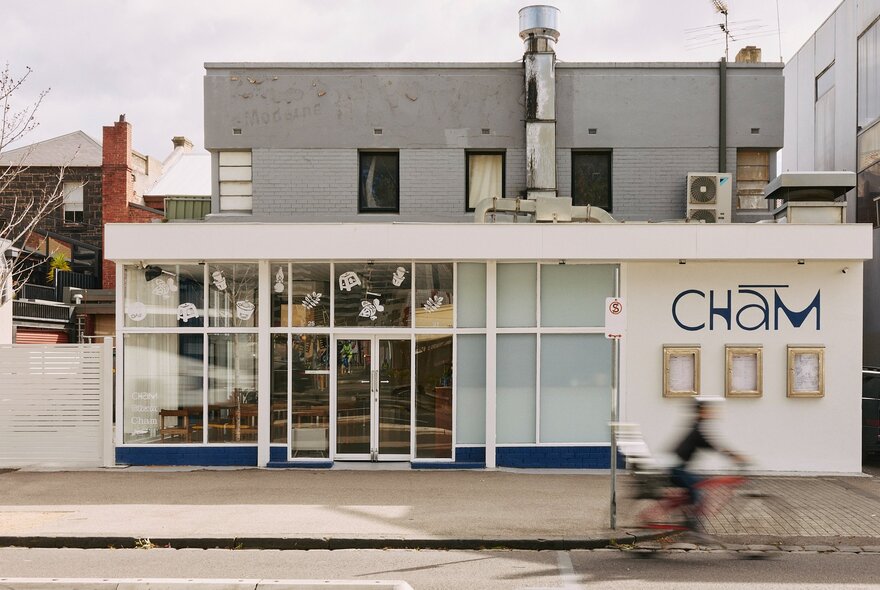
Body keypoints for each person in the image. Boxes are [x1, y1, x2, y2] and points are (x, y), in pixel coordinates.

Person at [670, 397, 746, 530]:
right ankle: (695, 527)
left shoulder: (697, 428)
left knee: (699, 488)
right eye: (707, 411)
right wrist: (736, 456)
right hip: (679, 471)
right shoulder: (697, 431)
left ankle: (690, 521)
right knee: (699, 491)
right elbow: (714, 446)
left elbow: (712, 445)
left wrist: (733, 455)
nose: (710, 413)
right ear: (701, 412)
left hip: (681, 469)